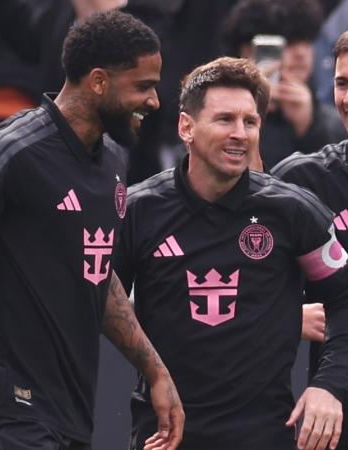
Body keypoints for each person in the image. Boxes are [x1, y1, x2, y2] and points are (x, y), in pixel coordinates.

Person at [0, 11, 184, 450]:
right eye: (142, 86)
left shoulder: (112, 160)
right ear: (99, 81)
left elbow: (97, 273)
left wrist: (155, 371)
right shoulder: (9, 152)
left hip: (67, 411)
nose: (154, 101)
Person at [115, 56, 348, 450]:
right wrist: (153, 373)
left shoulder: (292, 210)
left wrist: (329, 385)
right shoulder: (138, 211)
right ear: (186, 127)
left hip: (265, 435)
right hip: (163, 434)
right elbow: (100, 301)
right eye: (225, 119)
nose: (240, 133)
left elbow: (344, 297)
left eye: (250, 122)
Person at [272, 30, 348, 450]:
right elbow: (242, 271)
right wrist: (285, 314)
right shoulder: (303, 180)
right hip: (332, 409)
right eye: (342, 83)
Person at [221, 0, 346, 168]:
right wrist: (249, 110)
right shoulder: (216, 112)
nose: (301, 53)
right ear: (249, 50)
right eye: (289, 43)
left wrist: (309, 127)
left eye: (307, 42)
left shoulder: (335, 118)